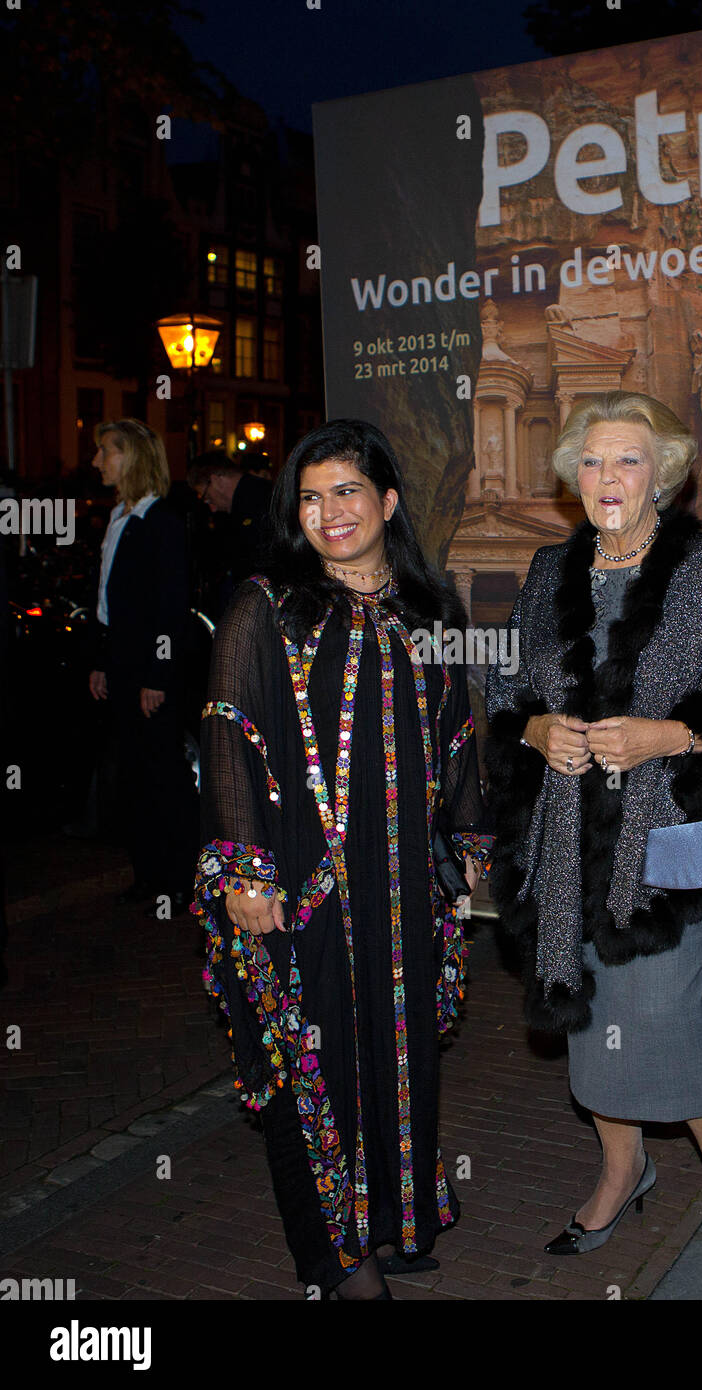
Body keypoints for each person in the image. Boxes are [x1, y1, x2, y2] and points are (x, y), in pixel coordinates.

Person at [484, 390, 702, 1299]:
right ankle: (623, 1172)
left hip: (677, 834)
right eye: (591, 461)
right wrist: (539, 730)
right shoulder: (549, 571)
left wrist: (668, 736)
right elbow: (507, 691)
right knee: (584, 1008)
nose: (607, 478)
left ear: (661, 472)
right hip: (564, 836)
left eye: (626, 460)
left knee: (662, 1014)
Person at [193, 419, 492, 1300]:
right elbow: (227, 734)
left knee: (398, 1054)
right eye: (311, 498)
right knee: (312, 1063)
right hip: (304, 883)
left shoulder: (430, 612)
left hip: (403, 884)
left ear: (388, 502)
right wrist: (242, 871)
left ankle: (395, 1216)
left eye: (347, 492)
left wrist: (467, 843)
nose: (329, 514)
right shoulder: (266, 607)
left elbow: (458, 735)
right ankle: (339, 1260)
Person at [88, 419, 199, 912]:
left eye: (105, 452)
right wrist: (101, 662)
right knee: (134, 773)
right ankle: (148, 875)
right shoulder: (118, 517)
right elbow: (106, 601)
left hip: (152, 670)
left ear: (131, 457)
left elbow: (170, 608)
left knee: (163, 776)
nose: (97, 462)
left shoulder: (162, 522)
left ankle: (178, 879)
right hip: (123, 663)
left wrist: (156, 676)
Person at [187, 453, 273, 601]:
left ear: (215, 481)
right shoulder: (253, 495)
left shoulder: (258, 503)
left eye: (206, 498)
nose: (211, 508)